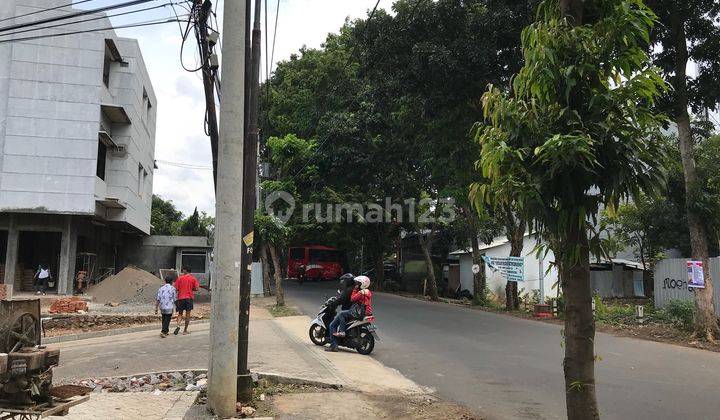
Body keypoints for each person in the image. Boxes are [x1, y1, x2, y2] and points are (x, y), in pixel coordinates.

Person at [326, 275, 373, 352]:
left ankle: (335, 343)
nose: (356, 284)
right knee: (342, 314)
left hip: (358, 312)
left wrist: (354, 289)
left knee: (337, 318)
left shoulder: (358, 291)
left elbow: (352, 298)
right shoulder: (368, 292)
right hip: (367, 312)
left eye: (357, 283)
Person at [173, 266, 199, 335]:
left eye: (183, 270)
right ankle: (185, 330)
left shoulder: (180, 278)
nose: (182, 271)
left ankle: (178, 326)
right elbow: (196, 288)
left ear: (185, 270)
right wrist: (191, 288)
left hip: (181, 298)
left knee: (180, 313)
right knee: (188, 314)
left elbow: (176, 288)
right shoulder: (193, 279)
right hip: (189, 298)